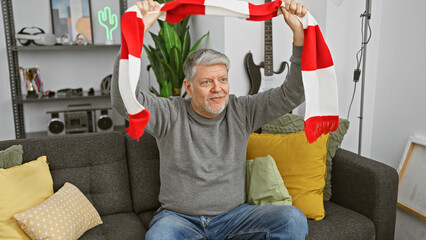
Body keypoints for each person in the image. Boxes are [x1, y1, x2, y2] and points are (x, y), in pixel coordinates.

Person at [111, 0, 309, 239]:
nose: (218, 89)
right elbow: (124, 101)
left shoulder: (242, 110)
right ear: (189, 87)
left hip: (235, 218)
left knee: (292, 219)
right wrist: (136, 32)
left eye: (222, 80)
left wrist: (299, 35)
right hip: (178, 219)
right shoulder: (169, 113)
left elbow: (293, 94)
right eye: (206, 82)